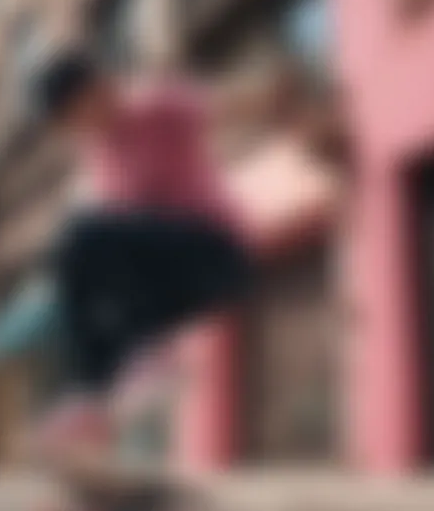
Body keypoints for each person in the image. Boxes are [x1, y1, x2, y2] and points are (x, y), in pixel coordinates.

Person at [31, 49, 265, 461]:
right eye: (70, 125)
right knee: (78, 262)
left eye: (77, 114)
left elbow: (226, 102)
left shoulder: (155, 103)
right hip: (172, 276)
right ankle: (101, 408)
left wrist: (274, 94)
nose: (80, 128)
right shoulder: (98, 154)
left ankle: (124, 371)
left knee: (86, 236)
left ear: (99, 87)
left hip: (216, 252)